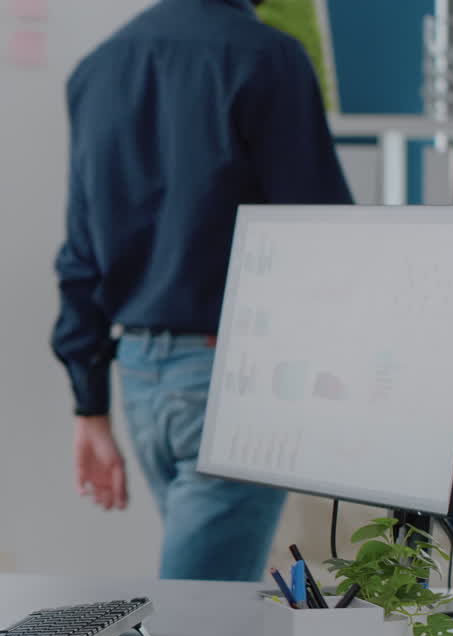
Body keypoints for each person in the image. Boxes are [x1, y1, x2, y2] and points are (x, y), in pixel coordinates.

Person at [51, 0, 353, 582]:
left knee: (215, 600)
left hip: (140, 376)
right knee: (201, 618)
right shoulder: (269, 57)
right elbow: (320, 235)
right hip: (233, 372)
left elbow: (80, 253)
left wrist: (90, 405)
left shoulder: (99, 67)